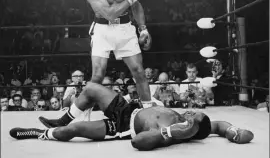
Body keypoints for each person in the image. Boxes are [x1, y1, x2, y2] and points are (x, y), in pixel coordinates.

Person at [37, 0, 153, 128]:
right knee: (97, 76)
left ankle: (149, 115)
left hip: (125, 29)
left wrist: (143, 28)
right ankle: (69, 119)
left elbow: (136, 6)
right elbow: (110, 13)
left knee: (139, 72)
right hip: (102, 29)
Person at [10, 81, 254, 151]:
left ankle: (42, 134)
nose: (189, 110)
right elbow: (220, 125)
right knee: (93, 88)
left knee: (73, 132)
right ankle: (61, 118)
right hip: (128, 107)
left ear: (192, 128)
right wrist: (236, 133)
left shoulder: (172, 133)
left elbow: (137, 143)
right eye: (193, 111)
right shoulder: (194, 121)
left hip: (121, 126)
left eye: (193, 115)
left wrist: (170, 132)